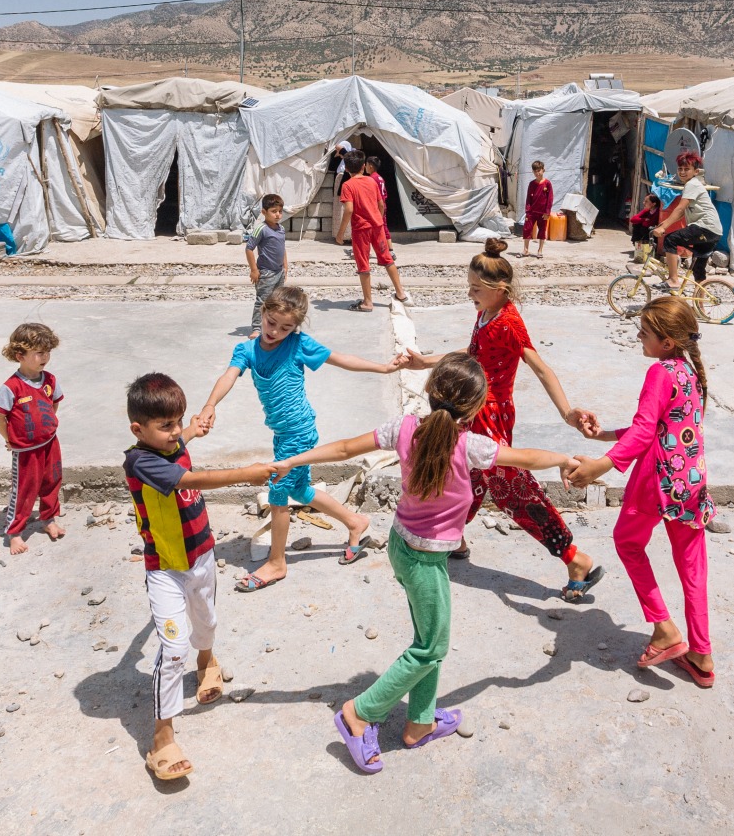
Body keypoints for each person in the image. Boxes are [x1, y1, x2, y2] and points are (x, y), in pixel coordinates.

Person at [275, 354, 576, 773]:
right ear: (474, 408)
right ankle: (358, 716)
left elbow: (344, 448)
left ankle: (419, 723)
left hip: (401, 545)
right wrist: (564, 459)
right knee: (431, 646)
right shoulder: (471, 445)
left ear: (431, 391)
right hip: (425, 560)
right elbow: (524, 458)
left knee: (428, 638)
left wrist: (294, 460)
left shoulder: (403, 427)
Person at [400, 239, 605, 601]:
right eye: (469, 286)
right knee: (467, 474)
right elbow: (473, 350)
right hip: (472, 409)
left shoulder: (509, 322)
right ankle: (452, 539)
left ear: (501, 290)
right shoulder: (485, 313)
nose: (470, 294)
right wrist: (426, 361)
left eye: (476, 289)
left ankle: (575, 559)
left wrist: (567, 413)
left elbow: (539, 367)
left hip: (491, 414)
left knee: (512, 489)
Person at [123, 372, 275, 780]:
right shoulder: (139, 461)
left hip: (202, 554)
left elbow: (181, 441)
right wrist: (247, 473)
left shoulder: (170, 442)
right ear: (139, 429)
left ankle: (207, 660)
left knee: (205, 622)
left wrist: (195, 426)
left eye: (178, 422)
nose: (176, 434)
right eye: (166, 426)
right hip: (165, 569)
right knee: (173, 649)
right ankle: (163, 737)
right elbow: (189, 479)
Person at [197, 286, 398, 591]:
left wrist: (383, 368)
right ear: (262, 313)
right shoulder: (247, 350)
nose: (275, 331)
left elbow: (340, 358)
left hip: (300, 431)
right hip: (282, 432)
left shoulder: (298, 345)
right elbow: (228, 375)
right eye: (270, 322)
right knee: (301, 490)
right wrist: (210, 405)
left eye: (285, 327)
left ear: (296, 326)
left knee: (278, 494)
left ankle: (277, 563)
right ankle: (356, 522)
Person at [565, 296, 716, 688]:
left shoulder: (659, 372)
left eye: (644, 333)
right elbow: (657, 424)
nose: (638, 337)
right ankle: (701, 654)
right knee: (693, 568)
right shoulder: (687, 369)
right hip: (691, 480)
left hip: (657, 479)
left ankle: (664, 630)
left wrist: (603, 463)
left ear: (666, 341)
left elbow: (647, 433)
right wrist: (607, 436)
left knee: (627, 542)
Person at [0, 322, 65, 556]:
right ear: (19, 355)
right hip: (26, 450)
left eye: (48, 352)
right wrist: (9, 439)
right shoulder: (11, 387)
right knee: (24, 490)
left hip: (50, 443)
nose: (45, 357)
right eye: (39, 353)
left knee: (52, 482)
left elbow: (54, 402)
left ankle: (49, 518)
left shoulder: (50, 380)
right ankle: (14, 532)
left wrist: (48, 424)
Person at [335, 149, 410, 312]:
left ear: (346, 169)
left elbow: (348, 210)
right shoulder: (372, 182)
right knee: (387, 259)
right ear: (363, 166)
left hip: (361, 229)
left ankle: (368, 302)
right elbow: (381, 204)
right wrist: (378, 218)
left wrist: (340, 233)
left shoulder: (348, 185)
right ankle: (401, 293)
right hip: (377, 227)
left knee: (363, 265)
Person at [653, 151, 723, 289]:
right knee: (698, 270)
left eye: (687, 169)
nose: (683, 172)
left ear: (696, 171)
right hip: (714, 231)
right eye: (680, 169)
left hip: (705, 227)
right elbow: (681, 214)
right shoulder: (691, 185)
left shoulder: (692, 184)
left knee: (670, 240)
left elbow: (679, 208)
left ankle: (673, 280)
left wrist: (663, 229)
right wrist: (663, 224)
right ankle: (700, 307)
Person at [244, 194, 287, 332]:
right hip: (266, 273)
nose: (278, 215)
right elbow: (249, 248)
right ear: (264, 212)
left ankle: (273, 325)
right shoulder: (260, 229)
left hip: (279, 272)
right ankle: (257, 328)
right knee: (262, 301)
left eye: (280, 211)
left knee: (277, 301)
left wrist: (285, 266)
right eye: (274, 211)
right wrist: (254, 270)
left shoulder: (281, 229)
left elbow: (283, 247)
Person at [521, 160, 554, 259]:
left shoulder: (547, 184)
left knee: (542, 230)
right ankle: (526, 250)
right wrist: (527, 210)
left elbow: (550, 198)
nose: (537, 173)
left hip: (542, 213)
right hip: (531, 212)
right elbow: (528, 198)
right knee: (527, 229)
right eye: (535, 171)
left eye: (539, 170)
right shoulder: (531, 184)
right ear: (533, 172)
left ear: (543, 170)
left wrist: (547, 212)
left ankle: (540, 250)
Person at [627, 193, 663, 263]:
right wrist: (643, 219)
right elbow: (633, 219)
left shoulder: (658, 212)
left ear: (653, 204)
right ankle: (637, 244)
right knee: (636, 225)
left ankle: (649, 248)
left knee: (647, 228)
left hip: (654, 232)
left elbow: (648, 223)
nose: (644, 203)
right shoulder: (647, 211)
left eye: (646, 201)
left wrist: (644, 221)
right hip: (646, 229)